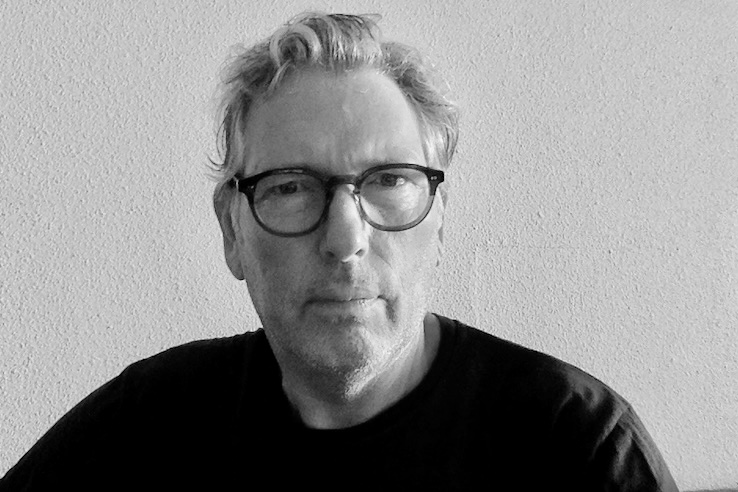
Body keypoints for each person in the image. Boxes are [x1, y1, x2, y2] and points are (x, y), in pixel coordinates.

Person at [1, 12, 678, 491]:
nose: (346, 238)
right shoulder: (148, 428)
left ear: (439, 221)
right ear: (232, 231)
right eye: (291, 187)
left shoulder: (576, 445)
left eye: (388, 182)